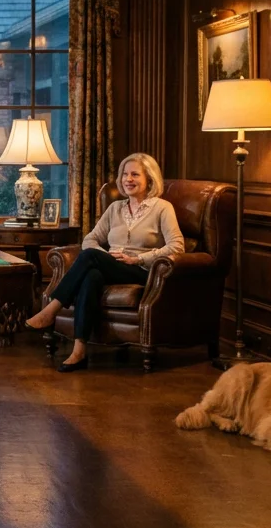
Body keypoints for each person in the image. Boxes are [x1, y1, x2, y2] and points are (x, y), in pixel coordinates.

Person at [23, 153, 184, 373]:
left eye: (135, 174)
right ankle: (79, 350)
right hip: (113, 266)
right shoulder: (115, 208)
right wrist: (105, 256)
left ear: (150, 179)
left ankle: (52, 308)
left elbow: (176, 247)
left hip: (143, 271)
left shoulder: (162, 208)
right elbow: (90, 239)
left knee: (90, 257)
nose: (128, 179)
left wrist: (138, 258)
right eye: (125, 174)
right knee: (91, 276)